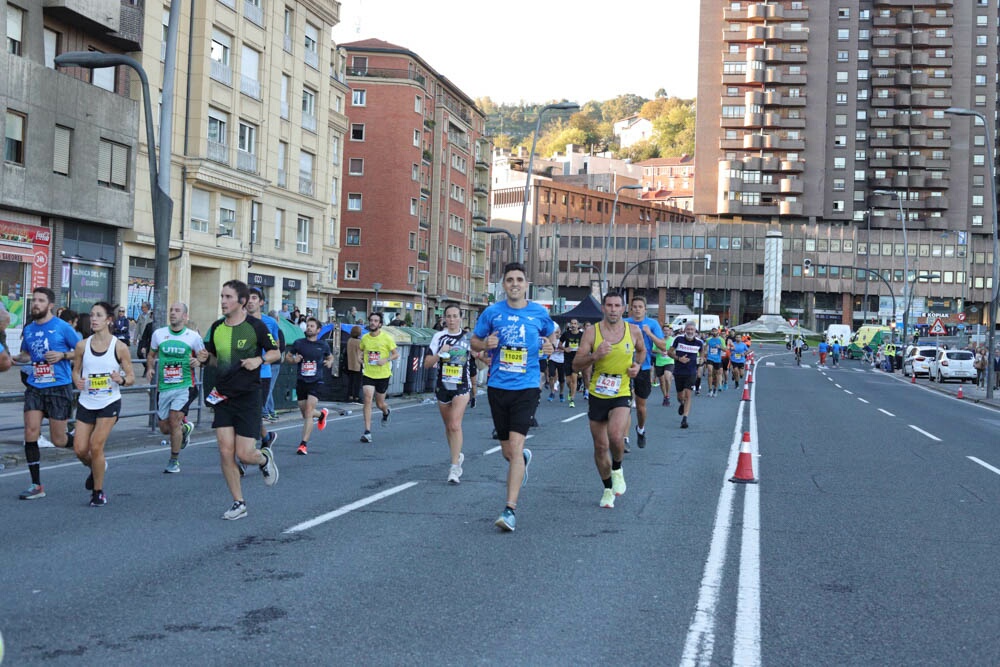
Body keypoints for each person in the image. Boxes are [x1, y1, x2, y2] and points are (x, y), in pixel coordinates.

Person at [472, 262, 555, 532]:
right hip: (498, 386)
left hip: (527, 386)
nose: (515, 284)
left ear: (526, 284)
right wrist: (485, 344)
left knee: (516, 448)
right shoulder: (492, 312)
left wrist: (550, 343)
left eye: (519, 279)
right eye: (510, 280)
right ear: (503, 284)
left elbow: (552, 334)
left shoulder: (538, 313)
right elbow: (474, 340)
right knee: (509, 452)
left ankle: (509, 510)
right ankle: (523, 459)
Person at [196, 280, 280, 520]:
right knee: (225, 452)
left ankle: (264, 459)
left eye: (228, 297)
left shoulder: (257, 327)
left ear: (242, 302)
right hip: (223, 396)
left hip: (248, 396)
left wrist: (260, 361)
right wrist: (204, 358)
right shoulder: (216, 327)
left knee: (245, 455)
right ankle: (238, 502)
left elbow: (276, 352)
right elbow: (213, 359)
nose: (223, 301)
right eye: (221, 296)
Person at [573, 292, 643, 508]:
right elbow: (576, 365)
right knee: (601, 447)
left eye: (617, 306)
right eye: (609, 305)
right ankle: (607, 488)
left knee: (615, 435)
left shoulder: (633, 330)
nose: (613, 309)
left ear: (624, 309)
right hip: (598, 393)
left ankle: (618, 468)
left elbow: (641, 352)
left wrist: (637, 367)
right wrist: (595, 356)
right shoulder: (592, 333)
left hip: (621, 391)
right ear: (603, 308)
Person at [12, 287, 82, 499]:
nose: (36, 304)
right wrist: (13, 358)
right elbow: (26, 354)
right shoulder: (30, 329)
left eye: (41, 301)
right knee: (30, 432)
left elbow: (81, 350)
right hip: (35, 385)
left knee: (58, 440)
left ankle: (84, 446)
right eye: (34, 300)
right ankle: (36, 485)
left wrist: (62, 355)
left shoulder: (62, 327)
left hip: (59, 386)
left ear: (50, 305)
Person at [71, 302, 134, 506]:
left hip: (109, 401)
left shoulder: (119, 347)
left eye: (98, 315)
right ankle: (97, 467)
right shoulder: (82, 345)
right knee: (80, 449)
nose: (94, 319)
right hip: (87, 401)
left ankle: (98, 492)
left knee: (95, 446)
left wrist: (121, 379)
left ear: (109, 320)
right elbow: (76, 370)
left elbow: (131, 377)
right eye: (91, 315)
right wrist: (76, 380)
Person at [147, 302, 203, 474]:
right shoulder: (159, 334)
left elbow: (203, 355)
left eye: (177, 311)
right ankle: (185, 429)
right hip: (164, 387)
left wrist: (198, 361)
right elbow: (151, 354)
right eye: (171, 310)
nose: (173, 313)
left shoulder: (193, 336)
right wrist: (150, 368)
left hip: (184, 385)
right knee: (165, 428)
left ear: (185, 316)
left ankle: (174, 460)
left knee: (174, 420)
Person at [424, 303, 472, 484]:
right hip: (443, 386)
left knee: (454, 425)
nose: (451, 320)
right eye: (448, 316)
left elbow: (480, 358)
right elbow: (427, 363)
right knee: (448, 427)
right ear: (444, 318)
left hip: (462, 386)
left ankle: (454, 468)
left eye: (455, 316)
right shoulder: (439, 337)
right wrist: (440, 354)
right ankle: (457, 454)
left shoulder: (468, 338)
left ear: (461, 318)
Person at [285, 317, 333, 455]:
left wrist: (329, 362)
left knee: (308, 410)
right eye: (308, 326)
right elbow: (287, 357)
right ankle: (321, 415)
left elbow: (330, 357)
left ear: (318, 330)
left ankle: (303, 444)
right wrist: (294, 360)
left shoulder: (323, 345)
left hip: (316, 381)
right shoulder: (299, 343)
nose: (309, 328)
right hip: (301, 381)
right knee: (306, 413)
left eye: (312, 326)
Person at [624, 295, 665, 449]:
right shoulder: (625, 323)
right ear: (630, 309)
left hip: (644, 368)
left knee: (640, 407)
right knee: (625, 405)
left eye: (640, 307)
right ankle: (624, 438)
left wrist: (649, 334)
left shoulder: (652, 324)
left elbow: (662, 346)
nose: (637, 309)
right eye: (634, 307)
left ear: (645, 309)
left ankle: (640, 429)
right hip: (624, 368)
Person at [246, 289, 280, 456]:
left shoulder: (270, 322)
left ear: (261, 302)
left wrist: (260, 360)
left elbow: (276, 349)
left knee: (254, 413)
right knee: (248, 414)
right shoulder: (237, 321)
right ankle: (266, 436)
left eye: (254, 298)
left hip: (262, 374)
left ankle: (246, 455)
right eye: (248, 298)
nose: (250, 301)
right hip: (241, 375)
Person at [358, 311, 399, 443]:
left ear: (380, 324)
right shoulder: (365, 338)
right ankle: (367, 431)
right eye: (371, 320)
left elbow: (395, 354)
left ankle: (386, 411)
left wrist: (385, 360)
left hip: (383, 374)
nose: (373, 323)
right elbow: (360, 349)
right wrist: (359, 357)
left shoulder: (386, 338)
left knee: (380, 403)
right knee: (367, 399)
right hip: (368, 373)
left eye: (376, 321)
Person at [669, 321, 704, 429]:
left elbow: (702, 353)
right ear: (684, 330)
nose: (690, 331)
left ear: (695, 331)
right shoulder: (678, 339)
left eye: (692, 330)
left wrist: (701, 361)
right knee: (680, 396)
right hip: (679, 371)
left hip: (691, 372)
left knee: (688, 394)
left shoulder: (699, 342)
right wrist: (679, 359)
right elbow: (670, 352)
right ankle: (682, 403)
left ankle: (684, 419)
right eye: (688, 329)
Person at [560, 319, 584, 408]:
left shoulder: (582, 335)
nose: (573, 325)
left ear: (578, 325)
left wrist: (582, 351)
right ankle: (570, 391)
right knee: (568, 381)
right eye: (572, 323)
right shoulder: (566, 334)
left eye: (575, 324)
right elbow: (559, 344)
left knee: (574, 379)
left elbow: (586, 345)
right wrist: (564, 349)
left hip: (577, 359)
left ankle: (572, 399)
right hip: (567, 358)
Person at [656, 325, 675, 406]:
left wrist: (670, 353)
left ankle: (667, 394)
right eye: (664, 330)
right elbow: (653, 349)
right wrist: (660, 352)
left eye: (667, 330)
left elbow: (676, 350)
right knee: (661, 381)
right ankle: (665, 396)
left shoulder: (673, 340)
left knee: (667, 378)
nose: (666, 332)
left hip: (669, 361)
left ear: (670, 332)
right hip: (659, 362)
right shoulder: (658, 339)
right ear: (662, 331)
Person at [704, 328, 725, 397]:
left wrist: (720, 347)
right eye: (712, 331)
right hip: (710, 358)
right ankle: (710, 389)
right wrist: (704, 356)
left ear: (717, 332)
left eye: (715, 331)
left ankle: (715, 389)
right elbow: (705, 347)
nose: (714, 332)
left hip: (717, 359)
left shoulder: (721, 340)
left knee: (716, 375)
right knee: (710, 372)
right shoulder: (708, 340)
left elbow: (725, 350)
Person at [547, 326, 566, 403]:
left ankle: (561, 393)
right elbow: (548, 350)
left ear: (560, 333)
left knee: (562, 379)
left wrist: (562, 350)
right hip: (552, 359)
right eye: (555, 333)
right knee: (551, 376)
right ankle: (552, 392)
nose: (557, 334)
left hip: (561, 361)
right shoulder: (551, 340)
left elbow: (568, 349)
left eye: (558, 333)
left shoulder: (563, 341)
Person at [346, 325, 363, 403]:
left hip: (349, 363)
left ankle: (350, 396)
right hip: (357, 364)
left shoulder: (349, 340)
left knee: (351, 381)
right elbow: (361, 353)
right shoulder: (359, 342)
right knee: (357, 382)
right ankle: (356, 397)